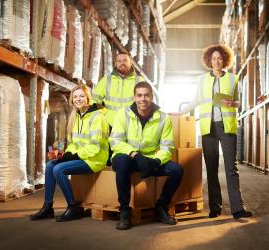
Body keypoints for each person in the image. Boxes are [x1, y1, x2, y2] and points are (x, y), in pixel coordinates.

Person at [177, 45, 252, 219]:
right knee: (211, 168)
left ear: (224, 60)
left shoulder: (233, 79)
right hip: (207, 127)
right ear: (209, 61)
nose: (216, 61)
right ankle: (215, 207)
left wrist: (232, 104)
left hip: (226, 127)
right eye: (213, 59)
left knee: (230, 168)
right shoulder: (201, 80)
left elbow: (238, 102)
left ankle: (237, 208)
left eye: (219, 58)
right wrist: (180, 112)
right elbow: (195, 100)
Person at [110, 81, 183, 230]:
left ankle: (161, 207)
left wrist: (156, 161)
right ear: (135, 97)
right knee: (122, 162)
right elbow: (116, 141)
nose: (143, 99)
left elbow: (167, 147)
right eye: (139, 95)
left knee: (177, 170)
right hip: (127, 157)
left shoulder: (164, 118)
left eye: (146, 95)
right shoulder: (123, 114)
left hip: (150, 159)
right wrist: (135, 155)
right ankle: (124, 211)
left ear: (152, 97)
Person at [30, 85, 109, 222]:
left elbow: (94, 147)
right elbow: (74, 143)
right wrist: (66, 154)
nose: (78, 99)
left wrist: (73, 156)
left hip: (94, 159)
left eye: (82, 96)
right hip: (82, 156)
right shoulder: (76, 116)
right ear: (72, 99)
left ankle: (73, 208)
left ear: (88, 98)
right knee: (50, 165)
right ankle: (48, 206)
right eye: (76, 96)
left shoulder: (97, 117)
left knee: (59, 169)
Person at [92, 52, 144, 127]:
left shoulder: (139, 81)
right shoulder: (107, 80)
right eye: (119, 61)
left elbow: (145, 104)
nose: (122, 63)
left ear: (131, 62)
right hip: (109, 125)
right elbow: (95, 100)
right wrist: (100, 117)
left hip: (131, 125)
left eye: (125, 60)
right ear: (115, 63)